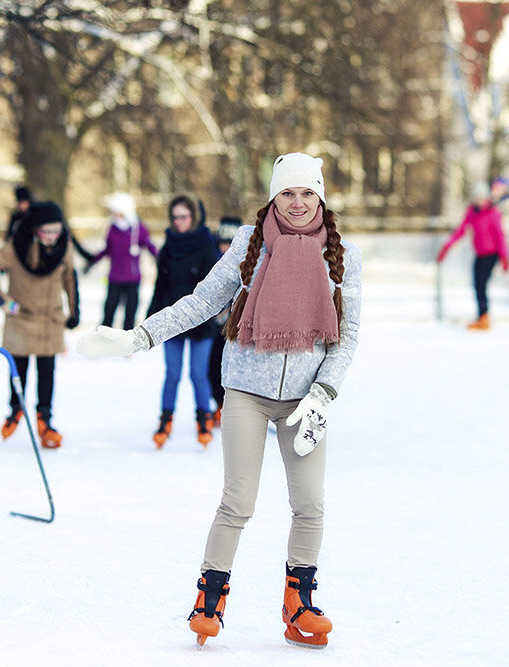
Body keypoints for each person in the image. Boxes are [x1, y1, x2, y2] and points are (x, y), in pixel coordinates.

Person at [76, 152, 362, 649]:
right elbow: (203, 301)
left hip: (307, 399)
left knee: (310, 504)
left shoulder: (341, 255)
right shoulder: (251, 244)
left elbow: (348, 333)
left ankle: (300, 605)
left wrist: (324, 390)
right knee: (238, 501)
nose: (298, 202)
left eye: (307, 193)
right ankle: (210, 598)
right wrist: (139, 338)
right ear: (274, 196)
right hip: (248, 391)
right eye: (288, 193)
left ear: (320, 196)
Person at [0, 201, 80, 449]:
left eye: (56, 231)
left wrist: (74, 309)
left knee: (47, 372)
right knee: (19, 370)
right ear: (35, 230)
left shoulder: (64, 246)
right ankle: (15, 411)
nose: (51, 237)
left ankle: (44, 421)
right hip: (22, 318)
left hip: (50, 319)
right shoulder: (17, 246)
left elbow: (69, 277)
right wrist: (3, 302)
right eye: (46, 232)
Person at [140, 194, 219, 448]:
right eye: (175, 217)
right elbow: (159, 286)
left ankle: (203, 420)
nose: (179, 222)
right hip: (172, 320)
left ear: (193, 217)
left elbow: (215, 287)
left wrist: (215, 314)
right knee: (172, 373)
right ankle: (165, 421)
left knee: (198, 374)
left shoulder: (207, 245)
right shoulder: (168, 247)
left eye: (183, 216)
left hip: (201, 322)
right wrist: (150, 320)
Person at [436, 182, 509, 330]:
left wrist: (504, 256)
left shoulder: (493, 213)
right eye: (476, 198)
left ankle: (484, 318)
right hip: (480, 253)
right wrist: (447, 246)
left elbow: (500, 236)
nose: (479, 201)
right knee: (477, 284)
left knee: (481, 284)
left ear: (486, 198)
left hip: (492, 254)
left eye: (481, 198)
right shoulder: (472, 212)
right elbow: (461, 230)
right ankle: (482, 316)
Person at [87, 192, 158, 329]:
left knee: (130, 312)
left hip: (132, 278)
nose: (115, 216)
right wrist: (93, 260)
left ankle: (128, 343)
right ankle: (104, 337)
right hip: (115, 278)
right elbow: (107, 249)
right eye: (113, 213)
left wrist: (160, 257)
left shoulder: (139, 229)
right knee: (109, 309)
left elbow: (149, 246)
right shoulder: (112, 229)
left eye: (118, 212)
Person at [208, 216, 242, 427]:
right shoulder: (214, 262)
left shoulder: (249, 263)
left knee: (237, 370)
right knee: (213, 368)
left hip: (240, 329)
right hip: (216, 328)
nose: (226, 248)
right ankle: (219, 406)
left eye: (230, 243)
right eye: (223, 243)